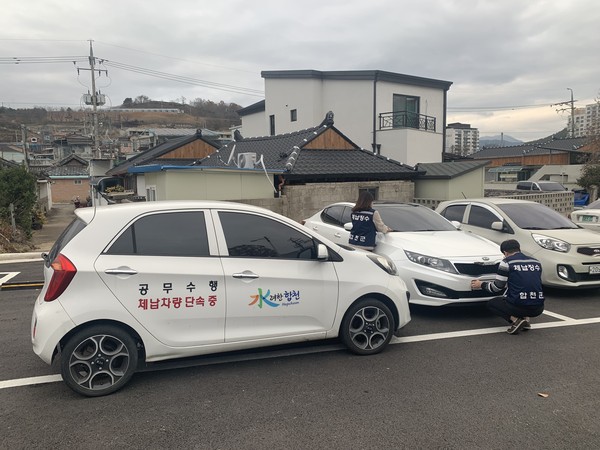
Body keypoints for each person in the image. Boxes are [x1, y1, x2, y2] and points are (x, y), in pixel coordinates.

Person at [471, 239, 544, 334]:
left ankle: (516, 321)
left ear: (505, 252)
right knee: (525, 291)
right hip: (538, 308)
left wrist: (481, 284)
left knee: (492, 303)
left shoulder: (507, 262)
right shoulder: (536, 262)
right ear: (519, 249)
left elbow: (496, 287)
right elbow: (531, 282)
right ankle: (526, 320)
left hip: (518, 306)